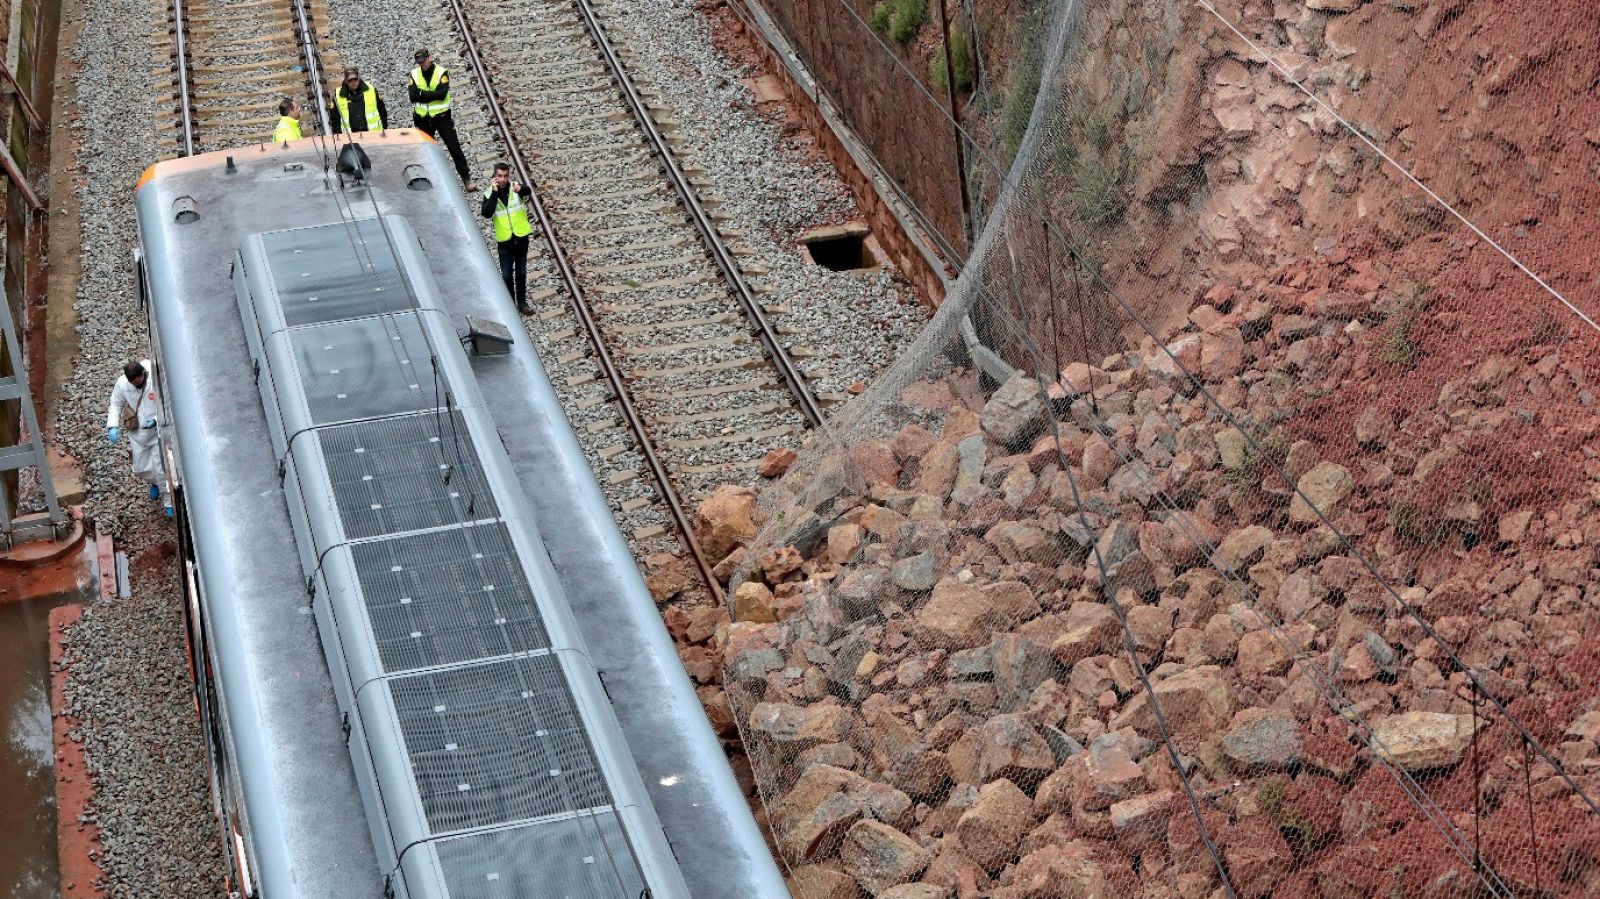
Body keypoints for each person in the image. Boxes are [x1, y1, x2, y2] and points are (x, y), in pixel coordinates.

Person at [106, 361, 171, 518]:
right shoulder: (123, 384)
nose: (135, 385)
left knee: (161, 469)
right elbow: (115, 404)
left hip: (156, 432)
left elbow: (168, 403)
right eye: (132, 383)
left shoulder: (156, 379)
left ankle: (168, 502)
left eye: (137, 382)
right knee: (141, 468)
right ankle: (154, 482)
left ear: (142, 374)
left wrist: (156, 419)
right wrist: (112, 425)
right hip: (137, 433)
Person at [408, 48, 475, 191]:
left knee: (454, 147)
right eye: (419, 62)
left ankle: (466, 178)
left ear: (429, 58)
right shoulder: (414, 74)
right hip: (422, 118)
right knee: (425, 150)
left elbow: (442, 95)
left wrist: (421, 94)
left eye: (424, 61)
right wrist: (431, 94)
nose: (422, 64)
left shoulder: (441, 72)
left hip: (441, 117)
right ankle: (429, 180)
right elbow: (412, 97)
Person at [480, 163, 535, 312]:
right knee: (506, 276)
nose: (503, 179)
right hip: (505, 241)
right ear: (494, 176)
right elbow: (486, 213)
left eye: (505, 176)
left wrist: (520, 189)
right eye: (500, 176)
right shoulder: (489, 193)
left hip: (521, 237)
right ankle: (511, 304)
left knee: (521, 272)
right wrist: (494, 192)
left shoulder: (515, 188)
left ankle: (522, 303)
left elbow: (528, 190)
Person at [330, 67, 388, 134]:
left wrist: (384, 129)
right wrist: (338, 135)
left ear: (359, 78)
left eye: (355, 79)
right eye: (350, 80)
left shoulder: (371, 90)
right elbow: (335, 119)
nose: (353, 82)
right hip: (350, 136)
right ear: (345, 81)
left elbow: (382, 110)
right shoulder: (337, 95)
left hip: (373, 134)